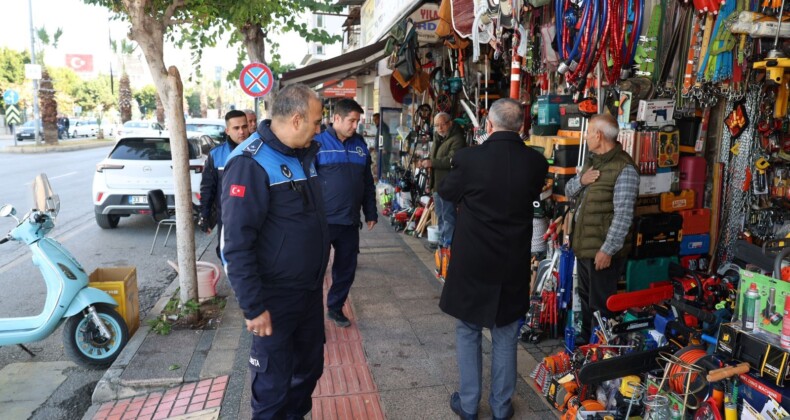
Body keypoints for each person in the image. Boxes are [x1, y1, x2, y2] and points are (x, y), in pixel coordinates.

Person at [220, 84, 328, 420]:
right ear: (296, 119)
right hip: (274, 299)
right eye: (316, 121)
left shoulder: (302, 153)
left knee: (308, 371)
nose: (319, 128)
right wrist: (253, 307)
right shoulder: (249, 164)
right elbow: (235, 245)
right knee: (272, 391)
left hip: (307, 293)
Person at [439, 99, 548, 420]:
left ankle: (469, 404)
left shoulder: (470, 159)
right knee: (506, 333)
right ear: (521, 128)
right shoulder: (536, 163)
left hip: (473, 260)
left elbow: (446, 191)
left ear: (488, 125)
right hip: (512, 261)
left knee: (468, 329)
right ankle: (501, 408)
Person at [565, 113, 639, 345]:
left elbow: (624, 214)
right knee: (587, 301)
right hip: (584, 247)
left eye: (588, 133)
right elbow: (568, 191)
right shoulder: (593, 161)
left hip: (601, 251)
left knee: (602, 306)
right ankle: (586, 346)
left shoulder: (624, 168)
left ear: (598, 135)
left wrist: (608, 250)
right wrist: (581, 181)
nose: (586, 137)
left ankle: (604, 352)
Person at [313, 99, 378, 328]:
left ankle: (335, 307)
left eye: (357, 121)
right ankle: (309, 313)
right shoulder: (317, 143)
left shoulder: (359, 145)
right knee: (314, 269)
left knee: (346, 269)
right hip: (322, 221)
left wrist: (371, 211)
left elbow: (367, 182)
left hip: (349, 221)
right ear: (336, 119)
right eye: (351, 121)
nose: (355, 126)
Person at [198, 110, 250, 257]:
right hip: (227, 217)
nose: (241, 131)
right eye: (236, 128)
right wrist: (205, 215)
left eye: (244, 126)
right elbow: (208, 188)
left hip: (254, 214)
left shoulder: (260, 152)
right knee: (226, 253)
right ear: (227, 130)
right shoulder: (216, 155)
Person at [421, 112, 465, 280]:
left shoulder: (457, 139)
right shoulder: (439, 137)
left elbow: (452, 161)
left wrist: (432, 162)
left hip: (449, 187)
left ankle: (448, 249)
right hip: (438, 186)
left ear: (450, 123)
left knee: (448, 218)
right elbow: (436, 157)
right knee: (440, 216)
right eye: (436, 125)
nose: (439, 128)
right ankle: (442, 249)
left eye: (442, 124)